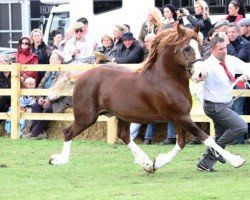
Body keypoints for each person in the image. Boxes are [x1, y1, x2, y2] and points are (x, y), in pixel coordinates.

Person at [192, 34, 250, 172]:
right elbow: (196, 76)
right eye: (220, 49)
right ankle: (218, 151)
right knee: (241, 126)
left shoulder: (231, 60)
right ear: (212, 49)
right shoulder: (207, 65)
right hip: (214, 107)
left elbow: (247, 66)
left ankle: (205, 164)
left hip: (226, 104)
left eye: (225, 48)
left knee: (220, 134)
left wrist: (246, 75)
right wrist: (200, 76)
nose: (224, 51)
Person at [23, 50, 72, 140]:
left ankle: (33, 133)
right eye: (50, 59)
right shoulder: (48, 72)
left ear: (60, 61)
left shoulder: (64, 73)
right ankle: (40, 133)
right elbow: (41, 86)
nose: (50, 61)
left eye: (53, 59)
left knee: (48, 108)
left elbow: (60, 90)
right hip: (46, 98)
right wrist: (40, 97)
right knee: (35, 106)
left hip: (60, 100)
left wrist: (49, 100)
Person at [0, 55, 11, 122]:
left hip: (13, 99)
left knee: (5, 96)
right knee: (5, 107)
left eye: (0, 61)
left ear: (7, 62)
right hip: (3, 102)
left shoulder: (15, 73)